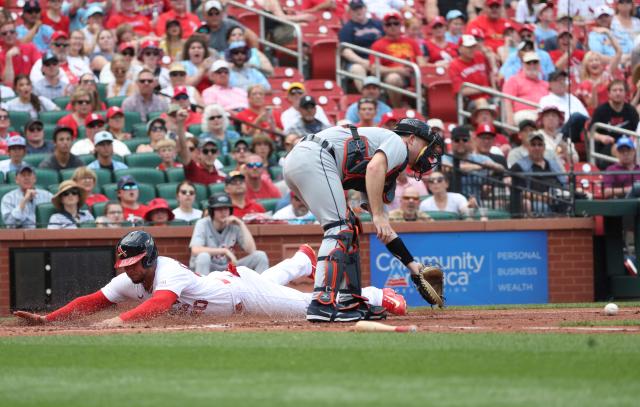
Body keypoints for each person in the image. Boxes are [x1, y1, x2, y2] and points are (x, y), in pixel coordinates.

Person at [13, 231, 408, 327]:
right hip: (229, 283)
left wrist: (116, 323)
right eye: (125, 263)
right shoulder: (130, 280)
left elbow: (159, 305)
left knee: (311, 310)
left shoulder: (165, 268)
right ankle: (301, 263)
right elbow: (92, 300)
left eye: (134, 262)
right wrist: (50, 319)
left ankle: (376, 294)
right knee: (278, 282)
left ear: (148, 258)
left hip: (244, 295)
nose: (128, 269)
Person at [284, 119, 444, 322]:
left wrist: (413, 266)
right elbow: (374, 169)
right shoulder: (397, 144)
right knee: (339, 228)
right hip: (314, 156)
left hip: (302, 159)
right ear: (412, 139)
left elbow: (385, 230)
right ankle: (321, 302)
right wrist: (377, 215)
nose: (429, 153)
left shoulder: (379, 153)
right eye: (426, 144)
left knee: (349, 226)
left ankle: (349, 301)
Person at [190, 193, 269, 275]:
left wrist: (241, 224)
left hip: (228, 269)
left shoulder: (234, 224)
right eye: (219, 209)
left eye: (226, 209)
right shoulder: (203, 223)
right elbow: (195, 250)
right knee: (203, 256)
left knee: (260, 256)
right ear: (212, 211)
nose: (223, 212)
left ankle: (260, 287)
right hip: (209, 269)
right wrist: (224, 251)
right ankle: (202, 287)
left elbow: (251, 250)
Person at [370, 11, 426, 107]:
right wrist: (398, 70)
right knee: (393, 78)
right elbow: (374, 68)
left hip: (413, 74)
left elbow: (421, 62)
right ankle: (398, 108)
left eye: (396, 23)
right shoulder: (377, 45)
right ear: (384, 27)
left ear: (401, 25)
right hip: (391, 75)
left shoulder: (411, 42)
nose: (393, 26)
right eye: (389, 24)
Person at [510, 132, 567, 215]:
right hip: (536, 201)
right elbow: (520, 193)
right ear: (528, 147)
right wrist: (542, 197)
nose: (537, 148)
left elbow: (564, 184)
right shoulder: (519, 166)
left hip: (558, 197)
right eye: (533, 145)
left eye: (540, 145)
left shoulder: (553, 164)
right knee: (539, 207)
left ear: (544, 147)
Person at [590, 80, 640, 165]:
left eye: (621, 90)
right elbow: (590, 133)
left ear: (625, 93)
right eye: (615, 90)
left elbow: (637, 131)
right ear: (609, 93)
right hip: (606, 148)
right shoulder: (601, 110)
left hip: (629, 144)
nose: (618, 93)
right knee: (621, 149)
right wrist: (602, 137)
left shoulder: (631, 111)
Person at [338, 1, 384, 91]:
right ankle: (368, 98)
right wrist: (363, 62)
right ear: (350, 12)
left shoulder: (378, 24)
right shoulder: (347, 28)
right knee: (357, 69)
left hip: (380, 59)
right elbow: (345, 50)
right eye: (355, 9)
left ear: (365, 9)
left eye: (360, 8)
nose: (359, 11)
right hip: (358, 61)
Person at [176, 109, 226, 185]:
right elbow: (183, 148)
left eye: (213, 151)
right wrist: (180, 123)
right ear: (199, 153)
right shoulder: (193, 169)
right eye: (205, 151)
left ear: (217, 153)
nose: (210, 154)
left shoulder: (222, 176)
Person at [502, 52, 549, 126]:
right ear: (523, 65)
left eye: (535, 62)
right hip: (524, 113)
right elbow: (507, 101)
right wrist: (510, 119)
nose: (532, 65)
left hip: (544, 114)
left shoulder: (545, 84)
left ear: (539, 65)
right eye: (528, 63)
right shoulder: (514, 80)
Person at [1, 164, 53, 228]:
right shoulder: (8, 198)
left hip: (45, 234)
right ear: (16, 180)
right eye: (23, 175)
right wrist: (24, 201)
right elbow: (10, 225)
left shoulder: (47, 196)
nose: (26, 178)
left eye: (29, 175)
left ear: (35, 179)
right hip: (20, 235)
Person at [449, 35, 493, 102]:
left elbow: (491, 73)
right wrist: (483, 89)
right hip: (470, 101)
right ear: (460, 49)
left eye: (473, 47)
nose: (472, 50)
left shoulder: (479, 56)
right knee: (481, 102)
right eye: (469, 47)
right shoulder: (454, 65)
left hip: (489, 96)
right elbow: (461, 91)